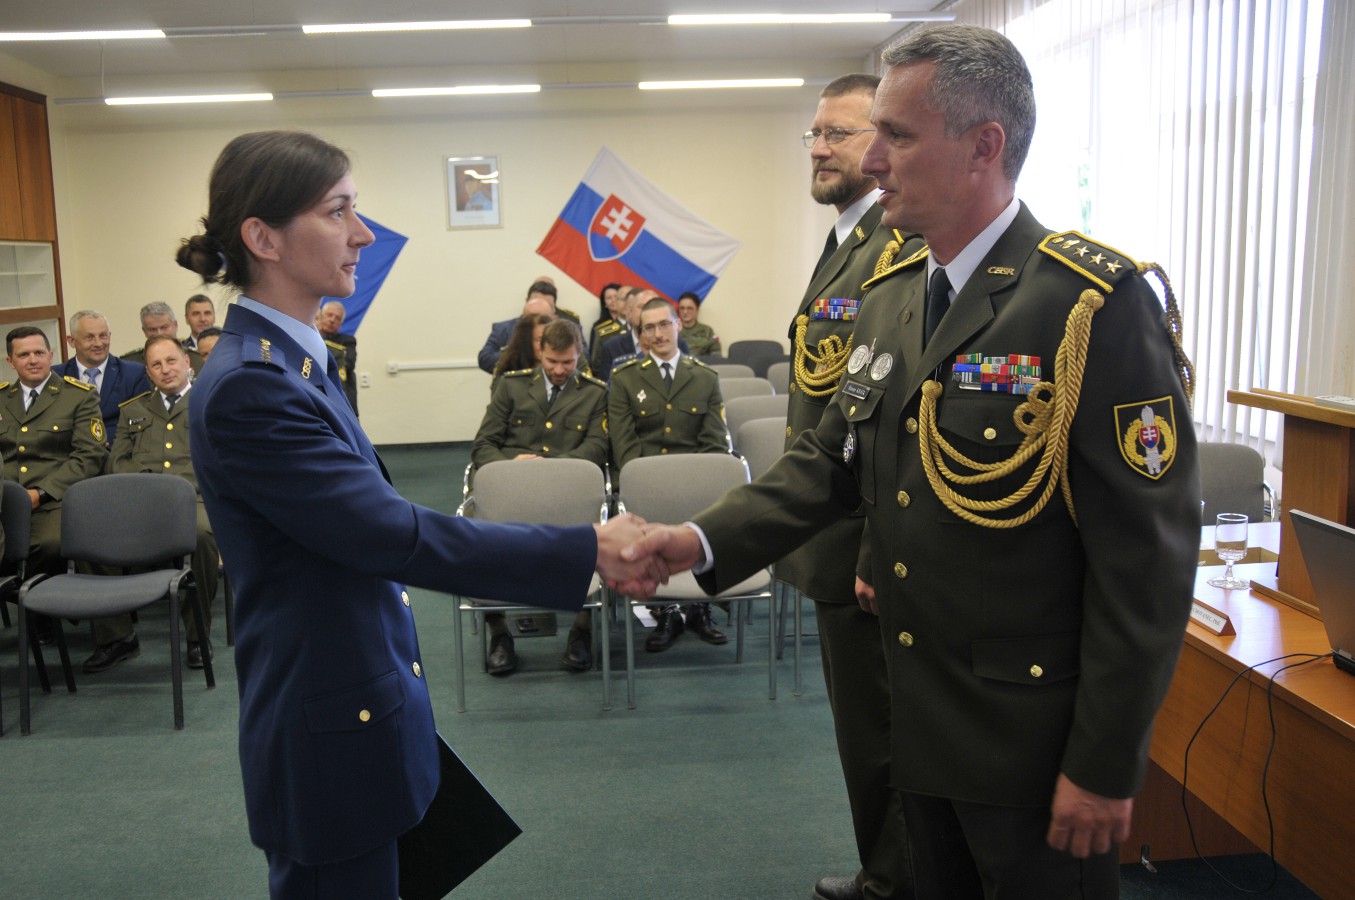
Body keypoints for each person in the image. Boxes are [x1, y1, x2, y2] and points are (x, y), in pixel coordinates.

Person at [623, 25, 1200, 899]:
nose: (872, 161)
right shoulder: (894, 295)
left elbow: (1146, 565)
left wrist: (1105, 761)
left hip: (1030, 739)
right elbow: (829, 462)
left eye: (896, 135)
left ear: (983, 146)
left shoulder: (1087, 308)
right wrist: (697, 542)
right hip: (917, 717)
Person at [177, 129, 654, 897]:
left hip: (361, 700)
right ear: (264, 238)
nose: (362, 233)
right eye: (338, 211)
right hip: (326, 728)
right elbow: (389, 533)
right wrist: (584, 550)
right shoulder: (251, 386)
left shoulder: (292, 361)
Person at [786, 72, 919, 900]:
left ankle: (893, 882)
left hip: (861, 545)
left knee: (877, 731)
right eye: (815, 133)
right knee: (862, 729)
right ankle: (888, 870)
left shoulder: (890, 248)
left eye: (838, 132)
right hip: (832, 533)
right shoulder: (849, 240)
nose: (819, 148)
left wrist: (874, 544)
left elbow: (890, 420)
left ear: (882, 143)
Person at [471, 318, 609, 673]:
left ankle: (581, 630)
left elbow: (597, 448)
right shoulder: (511, 386)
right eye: (552, 361)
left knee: (596, 535)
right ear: (540, 353)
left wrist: (552, 468)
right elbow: (483, 445)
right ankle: (500, 633)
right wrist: (509, 468)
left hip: (568, 493)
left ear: (579, 354)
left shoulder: (595, 393)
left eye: (568, 362)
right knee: (479, 538)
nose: (559, 370)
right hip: (512, 490)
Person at [609, 297, 729, 652]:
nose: (658, 334)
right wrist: (655, 488)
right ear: (641, 335)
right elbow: (625, 447)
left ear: (678, 325)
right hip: (646, 489)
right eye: (649, 328)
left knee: (707, 514)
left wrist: (689, 486)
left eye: (664, 324)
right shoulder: (625, 379)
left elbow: (714, 445)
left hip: (695, 486)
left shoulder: (705, 378)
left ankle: (699, 607)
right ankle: (666, 610)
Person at [99, 335, 220, 670]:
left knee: (201, 536)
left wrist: (177, 489)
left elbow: (222, 460)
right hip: (142, 502)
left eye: (171, 361)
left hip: (194, 500)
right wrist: (151, 484)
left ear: (187, 362)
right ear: (148, 373)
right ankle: (117, 636)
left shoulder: (211, 403)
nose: (165, 369)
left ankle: (197, 636)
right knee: (93, 535)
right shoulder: (133, 410)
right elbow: (117, 461)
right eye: (156, 364)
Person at [0, 327, 107, 578]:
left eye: (39, 353)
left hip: (53, 499)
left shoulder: (78, 396)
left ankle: (36, 599)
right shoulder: (2, 398)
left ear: (50, 355)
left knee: (50, 544)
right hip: (4, 500)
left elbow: (89, 455)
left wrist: (41, 492)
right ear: (10, 362)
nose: (33, 360)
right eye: (24, 355)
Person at [58, 309, 152, 446]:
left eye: (103, 336)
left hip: (119, 453)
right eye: (89, 337)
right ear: (71, 341)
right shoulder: (57, 376)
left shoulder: (133, 374)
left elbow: (142, 424)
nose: (98, 343)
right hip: (73, 453)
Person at [477, 280, 579, 374]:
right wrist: (519, 353)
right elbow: (485, 359)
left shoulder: (567, 332)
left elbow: (580, 360)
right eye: (532, 318)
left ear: (552, 316)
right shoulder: (503, 329)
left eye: (543, 319)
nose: (537, 322)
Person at [121, 301, 206, 373]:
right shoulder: (130, 364)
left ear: (175, 325)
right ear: (144, 331)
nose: (159, 334)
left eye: (164, 327)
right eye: (152, 330)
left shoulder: (197, 359)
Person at [315, 299, 359, 414]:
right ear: (321, 316)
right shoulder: (312, 336)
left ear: (341, 323)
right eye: (329, 315)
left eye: (337, 318)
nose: (332, 320)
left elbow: (348, 364)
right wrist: (338, 355)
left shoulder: (348, 341)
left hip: (344, 398)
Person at [491, 312, 552, 380]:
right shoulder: (509, 374)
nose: (546, 345)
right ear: (526, 341)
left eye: (550, 339)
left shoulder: (557, 372)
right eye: (540, 339)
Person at [676, 291, 721, 357]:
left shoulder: (707, 331)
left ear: (697, 310)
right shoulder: (673, 330)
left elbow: (716, 355)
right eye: (682, 308)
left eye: (689, 308)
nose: (685, 312)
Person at [589, 282, 624, 353]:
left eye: (616, 297)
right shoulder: (598, 326)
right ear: (604, 303)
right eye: (609, 298)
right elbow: (593, 353)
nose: (613, 300)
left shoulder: (631, 322)